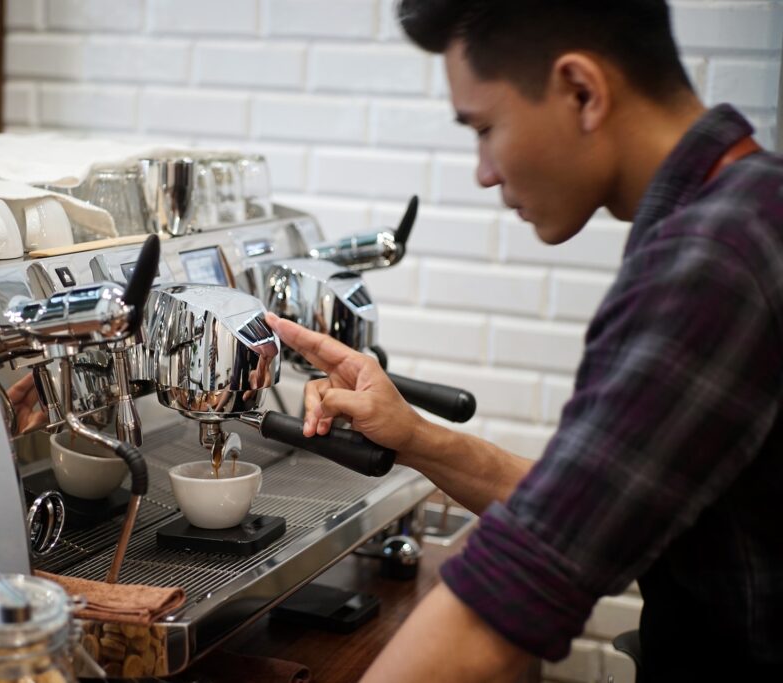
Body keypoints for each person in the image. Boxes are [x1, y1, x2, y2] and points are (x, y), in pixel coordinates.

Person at [264, 1, 783, 680]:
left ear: (581, 91)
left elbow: (511, 597)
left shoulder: (711, 261)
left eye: (484, 128)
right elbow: (585, 504)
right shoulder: (748, 208)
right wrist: (413, 435)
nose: (483, 169)